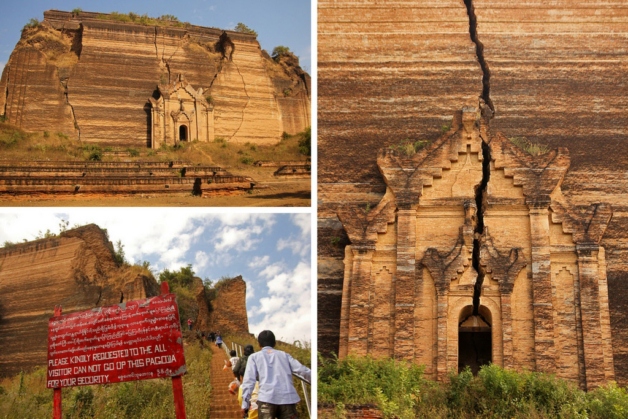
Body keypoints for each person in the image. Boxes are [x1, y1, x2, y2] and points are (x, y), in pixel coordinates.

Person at [240, 330, 311, 419]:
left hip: (266, 399)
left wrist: (245, 404)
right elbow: (302, 370)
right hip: (287, 399)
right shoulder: (285, 355)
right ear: (274, 343)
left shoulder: (254, 357)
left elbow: (248, 381)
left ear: (259, 344)